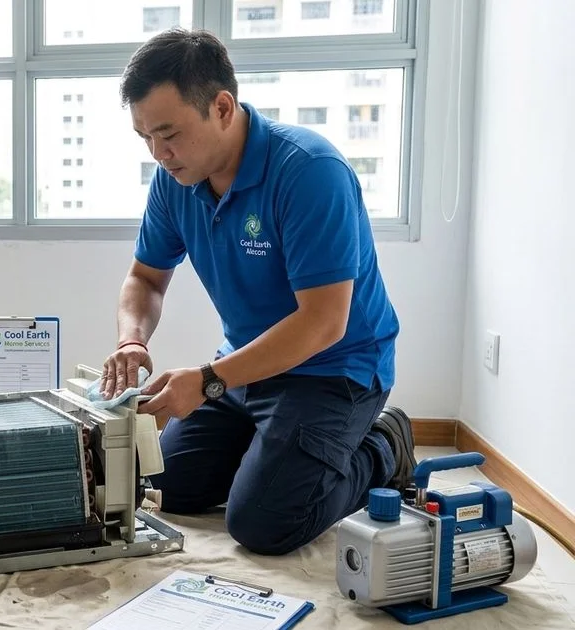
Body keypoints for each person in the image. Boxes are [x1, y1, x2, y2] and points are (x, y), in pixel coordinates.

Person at [101, 28, 413, 556]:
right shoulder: (175, 182)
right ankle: (272, 449)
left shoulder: (310, 172)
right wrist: (133, 340)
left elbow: (323, 323)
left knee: (263, 524)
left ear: (222, 107)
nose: (159, 153)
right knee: (165, 485)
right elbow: (145, 279)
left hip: (334, 372)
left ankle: (385, 445)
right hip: (244, 370)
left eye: (168, 133)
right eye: (145, 138)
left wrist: (206, 381)